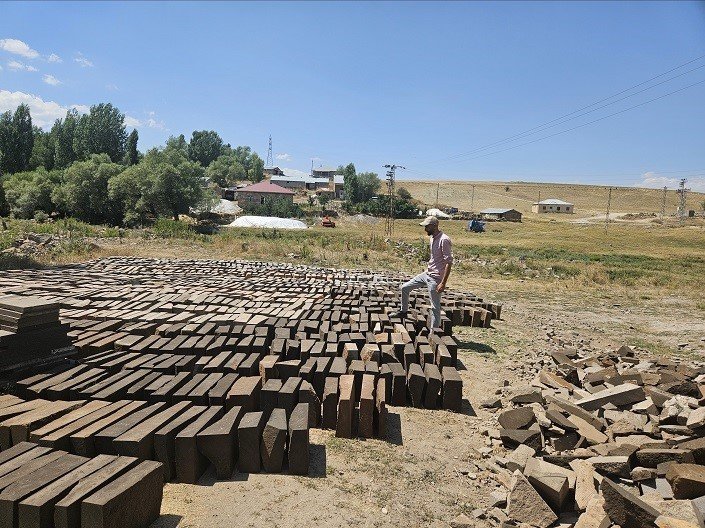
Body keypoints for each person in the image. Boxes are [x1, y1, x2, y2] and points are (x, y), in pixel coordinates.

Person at [390, 216, 453, 329]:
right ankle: (403, 311)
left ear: (434, 226)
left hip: (436, 278)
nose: (425, 229)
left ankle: (434, 333)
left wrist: (443, 283)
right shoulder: (432, 237)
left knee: (435, 307)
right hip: (427, 274)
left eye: (427, 227)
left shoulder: (444, 240)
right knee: (405, 288)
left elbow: (449, 262)